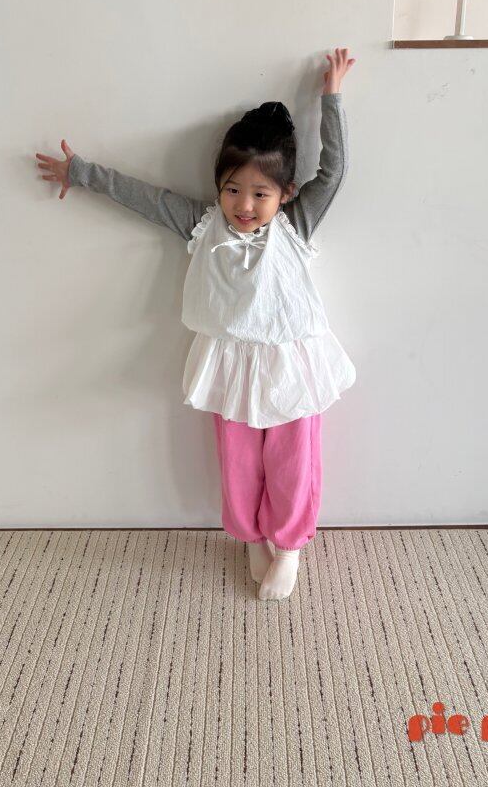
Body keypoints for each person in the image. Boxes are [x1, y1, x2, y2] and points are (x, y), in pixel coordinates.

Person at [35, 47, 357, 601]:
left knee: (293, 459)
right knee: (238, 460)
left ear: (285, 194)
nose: (245, 205)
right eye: (233, 189)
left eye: (260, 193)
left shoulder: (296, 224)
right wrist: (82, 172)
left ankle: (289, 544)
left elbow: (334, 172)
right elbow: (144, 197)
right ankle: (250, 535)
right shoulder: (202, 224)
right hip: (230, 363)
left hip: (290, 363)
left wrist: (331, 99)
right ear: (218, 187)